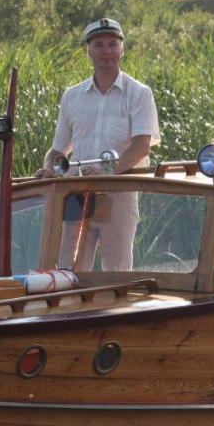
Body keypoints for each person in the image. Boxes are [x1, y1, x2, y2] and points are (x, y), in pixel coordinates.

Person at [35, 17, 161, 271]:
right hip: (76, 194)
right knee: (68, 271)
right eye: (99, 45)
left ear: (122, 49)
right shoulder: (72, 96)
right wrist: (50, 168)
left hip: (118, 193)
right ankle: (73, 311)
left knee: (116, 270)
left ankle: (114, 311)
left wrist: (109, 172)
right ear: (88, 51)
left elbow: (141, 146)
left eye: (113, 44)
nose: (107, 51)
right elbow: (58, 149)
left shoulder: (139, 93)